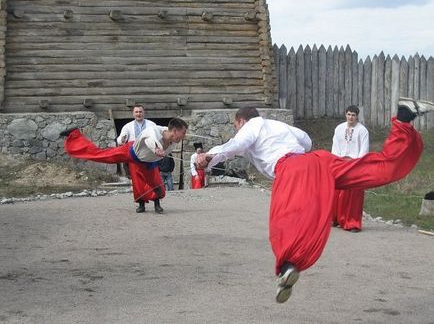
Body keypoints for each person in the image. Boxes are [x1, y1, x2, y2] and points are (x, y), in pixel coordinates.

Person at [196, 97, 434, 304]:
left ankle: (288, 265)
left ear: (241, 121)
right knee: (373, 168)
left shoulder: (251, 127)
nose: (237, 129)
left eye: (236, 125)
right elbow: (306, 141)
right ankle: (403, 118)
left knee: (286, 216)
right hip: (318, 160)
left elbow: (235, 144)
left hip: (292, 168)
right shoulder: (278, 125)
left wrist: (210, 157)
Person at [60, 118, 188, 214]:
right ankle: (75, 135)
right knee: (100, 154)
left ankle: (156, 202)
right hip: (129, 151)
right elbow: (150, 139)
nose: (184, 136)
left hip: (147, 163)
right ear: (175, 131)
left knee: (158, 187)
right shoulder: (153, 130)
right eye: (183, 133)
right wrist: (156, 148)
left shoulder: (172, 142)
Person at [331, 105, 369, 232]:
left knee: (353, 194)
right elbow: (335, 146)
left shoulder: (362, 131)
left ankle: (352, 222)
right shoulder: (339, 128)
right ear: (345, 115)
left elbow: (364, 149)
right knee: (337, 192)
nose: (351, 117)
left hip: (354, 164)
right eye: (348, 114)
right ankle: (336, 218)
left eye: (353, 115)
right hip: (340, 162)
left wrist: (357, 164)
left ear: (357, 116)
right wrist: (336, 161)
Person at [116, 104, 157, 213]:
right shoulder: (127, 126)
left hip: (149, 156)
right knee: (138, 182)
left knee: (153, 180)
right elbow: (120, 139)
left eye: (140, 112)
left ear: (144, 113)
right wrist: (122, 139)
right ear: (133, 114)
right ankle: (141, 204)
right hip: (135, 157)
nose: (138, 114)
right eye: (136, 112)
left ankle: (157, 204)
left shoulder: (151, 124)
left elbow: (158, 136)